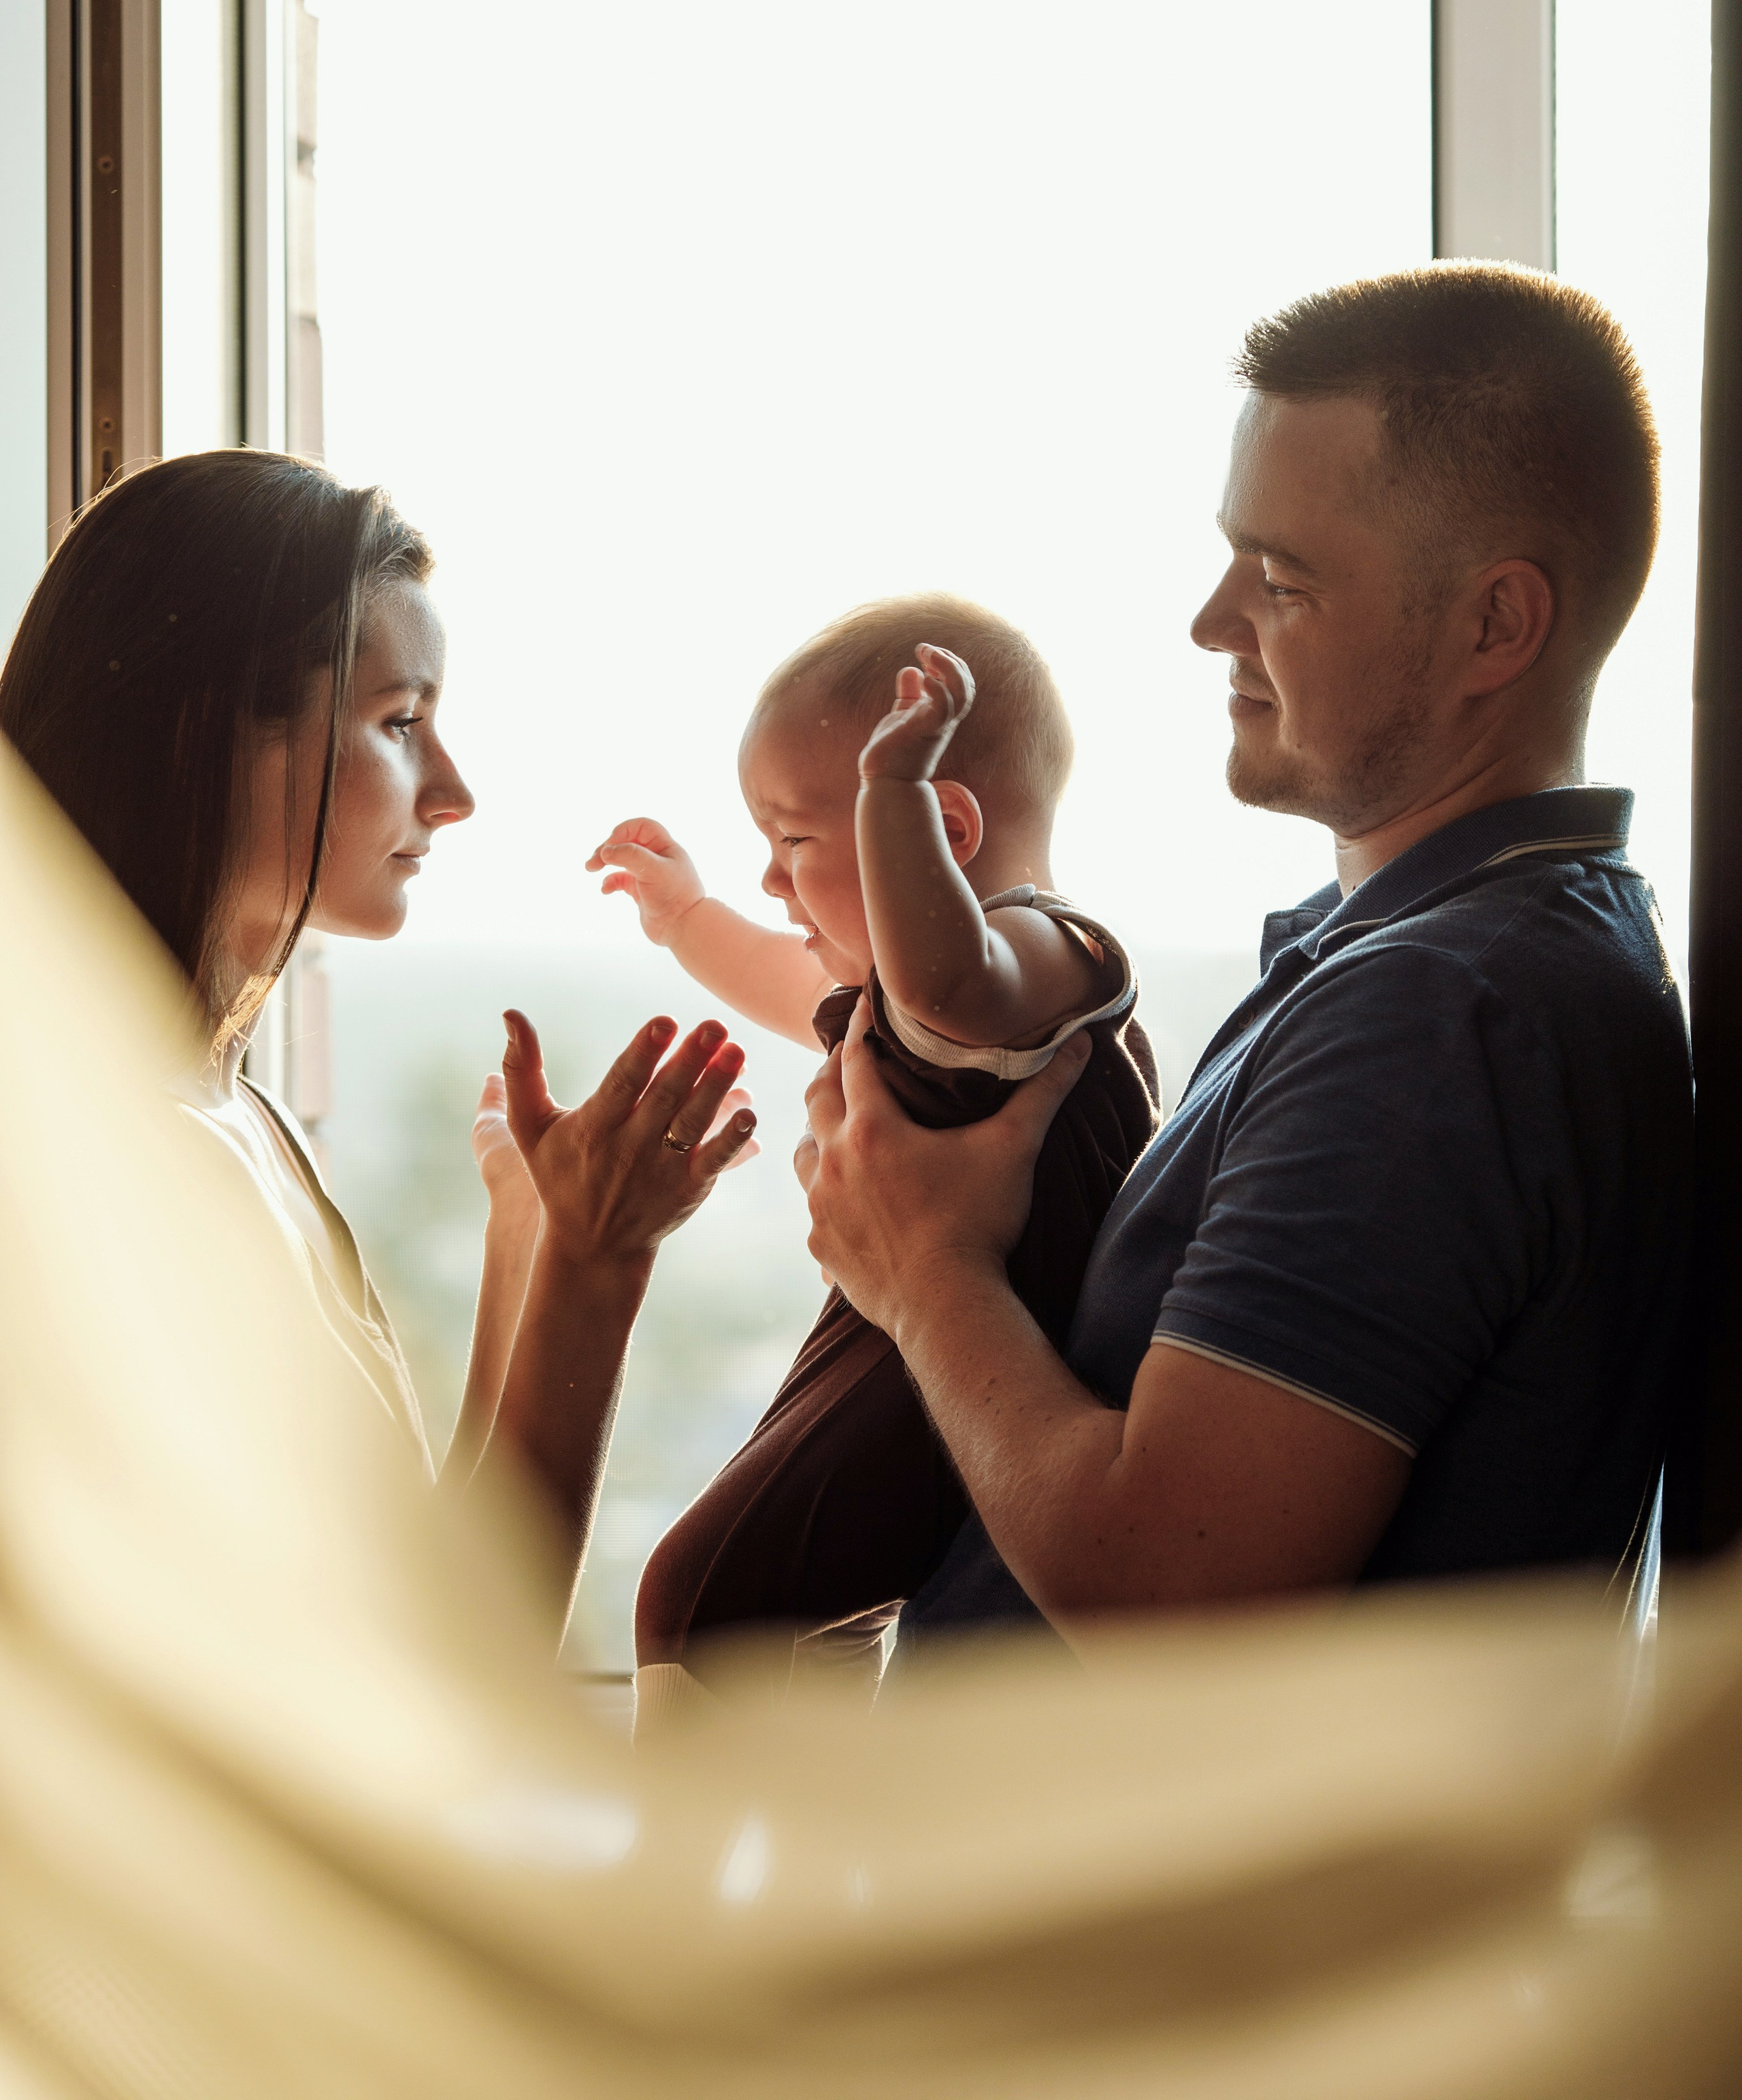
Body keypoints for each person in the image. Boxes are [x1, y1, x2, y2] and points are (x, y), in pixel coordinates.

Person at [795, 263, 1697, 1656]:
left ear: (1493, 627)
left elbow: (1168, 1586)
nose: (1211, 622)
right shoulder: (1464, 957)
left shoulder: (1438, 1014)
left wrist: (921, 1271)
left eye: (1279, 580)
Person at [0, 449, 756, 1629]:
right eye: (402, 721)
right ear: (207, 732)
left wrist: (531, 1249)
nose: (452, 792)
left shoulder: (235, 1112)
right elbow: (457, 1681)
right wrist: (597, 1269)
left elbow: (418, 1593)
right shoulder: (114, 1174)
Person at [586, 597, 1156, 1702]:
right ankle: (802, 1834)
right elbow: (794, 981)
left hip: (977, 1359)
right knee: (747, 1600)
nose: (772, 881)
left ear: (944, 831)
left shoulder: (1043, 954)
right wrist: (688, 915)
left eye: (794, 843)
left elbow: (946, 977)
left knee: (701, 1595)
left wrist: (887, 797)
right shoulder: (900, 997)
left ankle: (695, 1856)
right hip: (898, 1334)